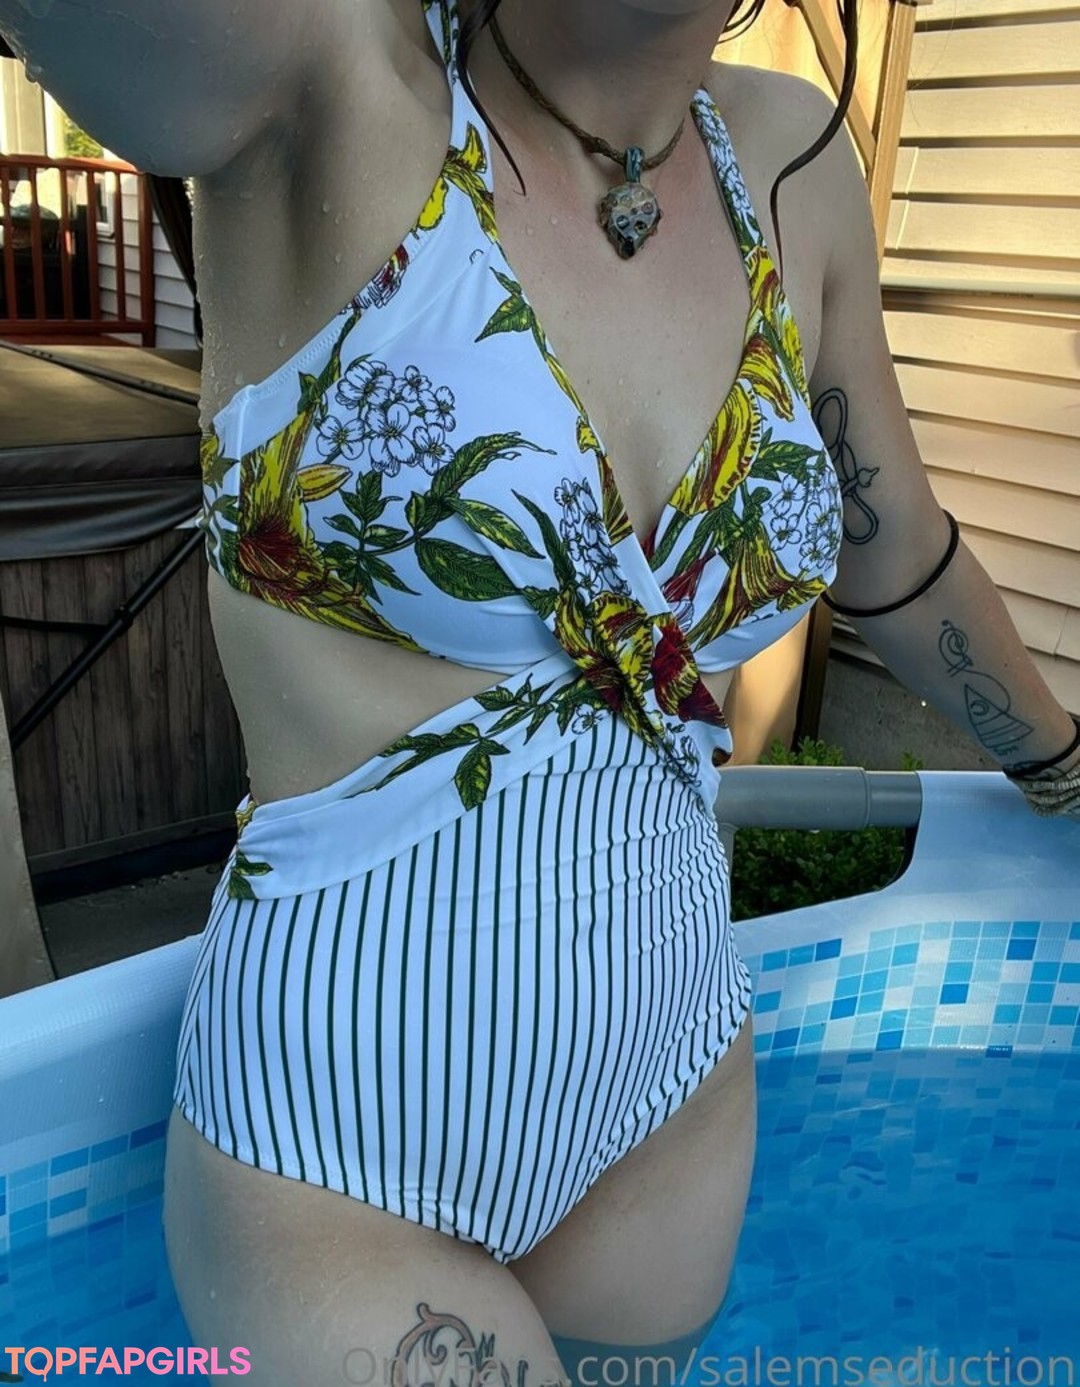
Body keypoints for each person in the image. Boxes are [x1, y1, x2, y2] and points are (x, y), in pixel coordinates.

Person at [4, 0, 1077, 1381]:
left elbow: (900, 555)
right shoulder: (325, 64)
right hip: (340, 1157)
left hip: (669, 1102)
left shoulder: (789, 156)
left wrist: (1063, 771)